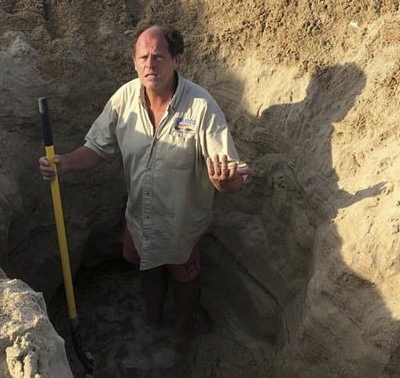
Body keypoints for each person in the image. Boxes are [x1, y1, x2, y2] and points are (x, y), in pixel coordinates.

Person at [39, 25, 254, 343]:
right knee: (148, 269)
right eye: (144, 57)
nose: (150, 64)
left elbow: (232, 176)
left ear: (176, 59)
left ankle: (181, 330)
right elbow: (98, 148)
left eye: (159, 57)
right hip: (139, 219)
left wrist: (225, 183)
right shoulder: (122, 100)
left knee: (184, 278)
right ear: (134, 62)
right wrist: (64, 162)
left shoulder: (201, 107)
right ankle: (152, 321)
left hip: (182, 226)